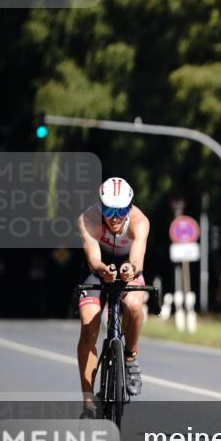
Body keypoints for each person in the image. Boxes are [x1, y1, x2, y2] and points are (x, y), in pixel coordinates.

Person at [76, 177, 151, 418]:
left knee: (133, 304)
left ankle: (129, 357)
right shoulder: (88, 219)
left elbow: (138, 259)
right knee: (89, 327)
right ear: (100, 207)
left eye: (121, 210)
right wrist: (103, 270)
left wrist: (131, 269)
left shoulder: (139, 221)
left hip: (129, 269)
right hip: (97, 271)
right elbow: (94, 260)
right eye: (109, 209)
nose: (115, 216)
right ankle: (88, 403)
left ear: (130, 207)